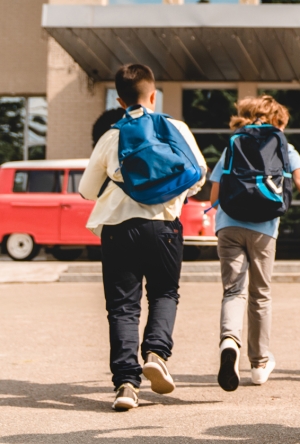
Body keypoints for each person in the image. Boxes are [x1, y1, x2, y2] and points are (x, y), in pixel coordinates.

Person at [79, 64, 207, 411]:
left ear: (120, 99)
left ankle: (125, 385)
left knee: (122, 307)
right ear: (154, 95)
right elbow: (198, 174)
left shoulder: (112, 135)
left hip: (118, 228)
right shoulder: (174, 128)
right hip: (164, 226)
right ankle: (156, 353)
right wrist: (169, 194)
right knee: (165, 292)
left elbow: (86, 190)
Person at [210, 95, 300, 392]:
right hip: (264, 229)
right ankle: (259, 364)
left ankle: (228, 342)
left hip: (229, 225)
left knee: (233, 291)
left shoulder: (233, 143)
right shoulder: (285, 146)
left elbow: (214, 195)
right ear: (277, 122)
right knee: (260, 295)